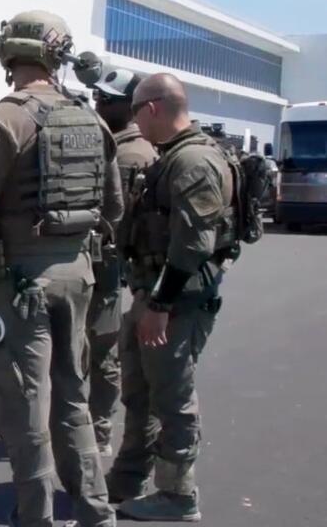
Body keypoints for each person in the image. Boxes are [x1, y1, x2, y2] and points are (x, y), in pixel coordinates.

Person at [0, 11, 120, 527]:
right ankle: (95, 510)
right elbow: (114, 207)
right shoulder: (93, 121)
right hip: (78, 274)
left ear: (10, 55)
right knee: (72, 395)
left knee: (24, 400)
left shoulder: (2, 121)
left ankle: (35, 516)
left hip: (19, 281)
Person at [108, 73, 236, 523]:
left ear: (153, 108)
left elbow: (193, 246)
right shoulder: (173, 156)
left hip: (177, 303)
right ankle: (130, 476)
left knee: (173, 398)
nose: (135, 122)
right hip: (155, 296)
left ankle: (178, 495)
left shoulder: (194, 162)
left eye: (136, 112)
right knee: (140, 391)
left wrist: (159, 306)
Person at [83, 68, 157, 457]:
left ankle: (98, 430)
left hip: (106, 262)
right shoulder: (116, 145)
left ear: (129, 106)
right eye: (97, 97)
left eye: (106, 100)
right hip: (100, 261)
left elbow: (117, 218)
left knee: (101, 348)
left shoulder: (131, 154)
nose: (98, 104)